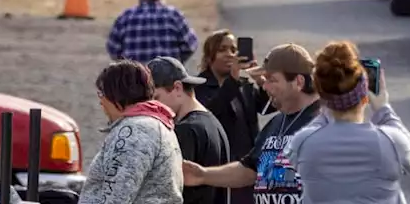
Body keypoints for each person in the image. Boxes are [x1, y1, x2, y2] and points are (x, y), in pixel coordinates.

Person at [285, 42, 410, 204]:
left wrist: (326, 105)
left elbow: (290, 159)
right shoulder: (391, 141)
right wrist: (383, 109)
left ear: (323, 96)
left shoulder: (304, 142)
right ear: (364, 96)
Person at [182, 44, 321, 204]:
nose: (265, 86)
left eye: (272, 80)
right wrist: (203, 175)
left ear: (298, 81)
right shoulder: (276, 123)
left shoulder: (324, 123)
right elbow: (249, 170)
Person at [81, 61, 183, 204]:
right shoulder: (156, 124)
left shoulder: (134, 131)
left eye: (102, 93)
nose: (101, 101)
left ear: (116, 94)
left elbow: (117, 195)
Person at [194, 32, 269, 204]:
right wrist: (233, 80)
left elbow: (267, 108)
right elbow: (210, 113)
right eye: (222, 49)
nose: (230, 54)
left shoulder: (243, 85)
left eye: (234, 49)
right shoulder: (199, 86)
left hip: (248, 167)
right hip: (220, 169)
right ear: (210, 55)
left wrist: (262, 82)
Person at [149, 58, 231, 204]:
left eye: (156, 98)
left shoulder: (186, 130)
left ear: (178, 88)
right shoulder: (212, 122)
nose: (153, 107)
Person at [108, 0, 200, 64]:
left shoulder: (126, 17)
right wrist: (176, 63)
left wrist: (127, 66)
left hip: (135, 77)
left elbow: (113, 48)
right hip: (168, 77)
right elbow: (190, 45)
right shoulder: (174, 15)